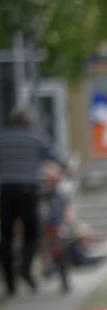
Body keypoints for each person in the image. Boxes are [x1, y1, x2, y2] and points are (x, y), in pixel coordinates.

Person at [0, 106, 66, 295]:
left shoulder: (2, 138)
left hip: (4, 191)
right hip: (27, 190)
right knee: (32, 233)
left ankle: (10, 285)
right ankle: (25, 267)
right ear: (28, 123)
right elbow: (55, 157)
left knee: (6, 237)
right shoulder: (35, 138)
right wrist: (66, 167)